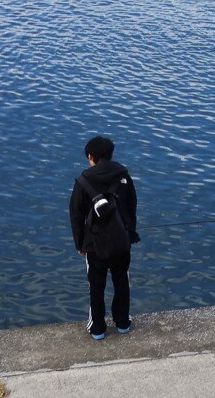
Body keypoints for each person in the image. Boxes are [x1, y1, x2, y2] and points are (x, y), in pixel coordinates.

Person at [69, 135, 139, 340]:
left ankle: (98, 328)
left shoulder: (83, 181)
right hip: (121, 242)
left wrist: (80, 244)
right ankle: (123, 323)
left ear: (91, 156)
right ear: (110, 154)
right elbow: (131, 207)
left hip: (94, 244)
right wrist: (130, 233)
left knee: (96, 285)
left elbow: (76, 214)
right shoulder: (124, 176)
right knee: (122, 281)